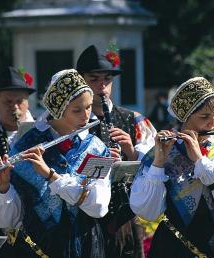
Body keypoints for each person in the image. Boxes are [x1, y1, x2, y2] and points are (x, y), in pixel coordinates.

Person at [0, 69, 112, 258]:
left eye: (89, 107)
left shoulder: (97, 148)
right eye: (77, 110)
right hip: (39, 247)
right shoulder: (26, 145)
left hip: (87, 245)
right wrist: (2, 188)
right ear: (57, 110)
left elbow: (99, 207)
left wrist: (51, 176)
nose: (86, 116)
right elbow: (10, 219)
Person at [130, 77, 214, 258]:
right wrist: (158, 163)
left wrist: (200, 160)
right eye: (204, 117)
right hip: (173, 243)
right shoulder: (161, 150)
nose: (213, 123)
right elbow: (148, 211)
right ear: (184, 117)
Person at [77, 44, 157, 258]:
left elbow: (155, 169)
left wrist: (130, 153)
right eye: (93, 79)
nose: (101, 86)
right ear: (80, 81)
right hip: (83, 217)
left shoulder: (134, 119)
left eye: (107, 80)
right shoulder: (69, 123)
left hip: (124, 217)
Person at [0, 66, 36, 160]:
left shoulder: (41, 128)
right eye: (8, 101)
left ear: (27, 103)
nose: (15, 107)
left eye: (19, 101)